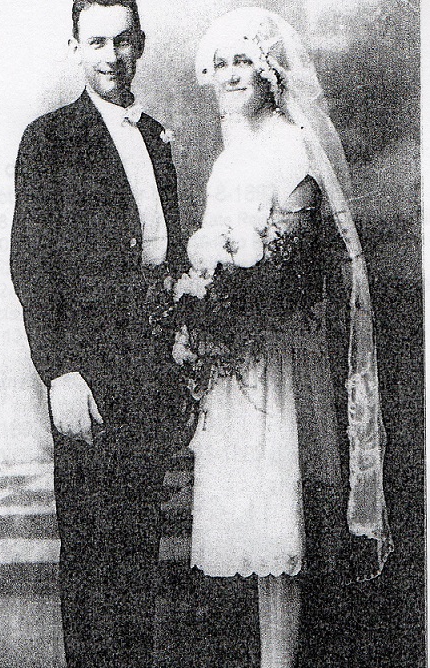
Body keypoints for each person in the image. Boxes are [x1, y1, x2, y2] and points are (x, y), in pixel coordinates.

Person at [181, 8, 394, 667]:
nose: (230, 76)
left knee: (279, 524)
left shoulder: (291, 149)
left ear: (271, 72)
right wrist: (204, 293)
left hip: (276, 358)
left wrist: (238, 289)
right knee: (249, 525)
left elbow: (293, 268)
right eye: (221, 65)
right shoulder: (227, 157)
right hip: (235, 361)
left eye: (243, 63)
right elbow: (216, 251)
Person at [10, 1, 188, 666]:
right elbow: (30, 264)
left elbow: (165, 251)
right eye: (97, 42)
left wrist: (180, 347)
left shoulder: (157, 136)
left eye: (122, 41)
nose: (111, 56)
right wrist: (58, 371)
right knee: (91, 553)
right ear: (75, 47)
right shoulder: (49, 138)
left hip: (151, 365)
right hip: (86, 372)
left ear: (139, 44)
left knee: (139, 548)